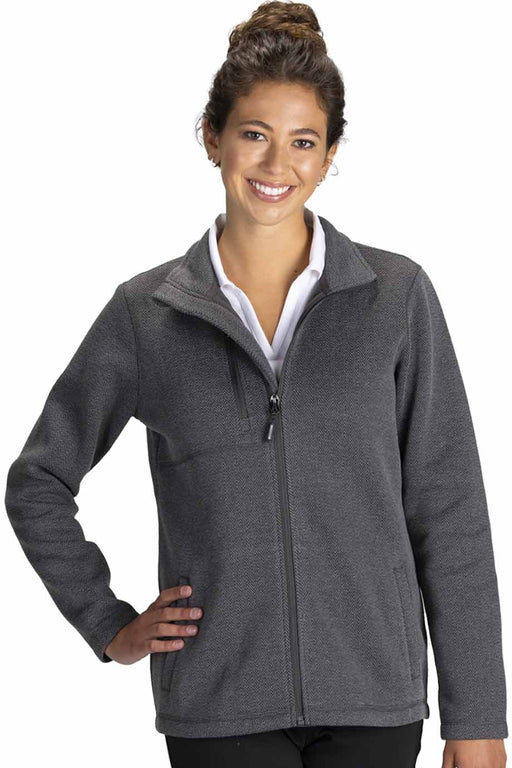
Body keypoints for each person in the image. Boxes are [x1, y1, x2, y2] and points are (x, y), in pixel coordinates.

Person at [4, 1, 508, 766]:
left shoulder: (395, 298)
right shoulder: (147, 315)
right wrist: (108, 624)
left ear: (330, 154)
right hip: (218, 709)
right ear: (212, 138)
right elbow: (37, 481)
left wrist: (478, 717)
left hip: (374, 699)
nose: (278, 166)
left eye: (304, 141)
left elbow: (450, 510)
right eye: (254, 135)